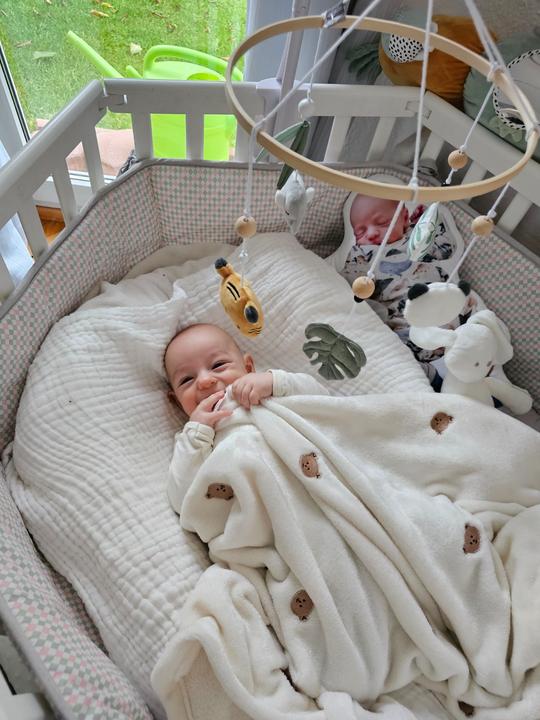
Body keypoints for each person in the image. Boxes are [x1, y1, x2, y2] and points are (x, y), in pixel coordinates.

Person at [164, 323, 328, 513]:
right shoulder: (195, 440)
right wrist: (196, 433)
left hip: (319, 478)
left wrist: (276, 382)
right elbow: (182, 500)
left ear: (248, 368)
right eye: (186, 380)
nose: (204, 381)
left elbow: (324, 402)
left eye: (218, 365)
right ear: (177, 402)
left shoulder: (269, 391)